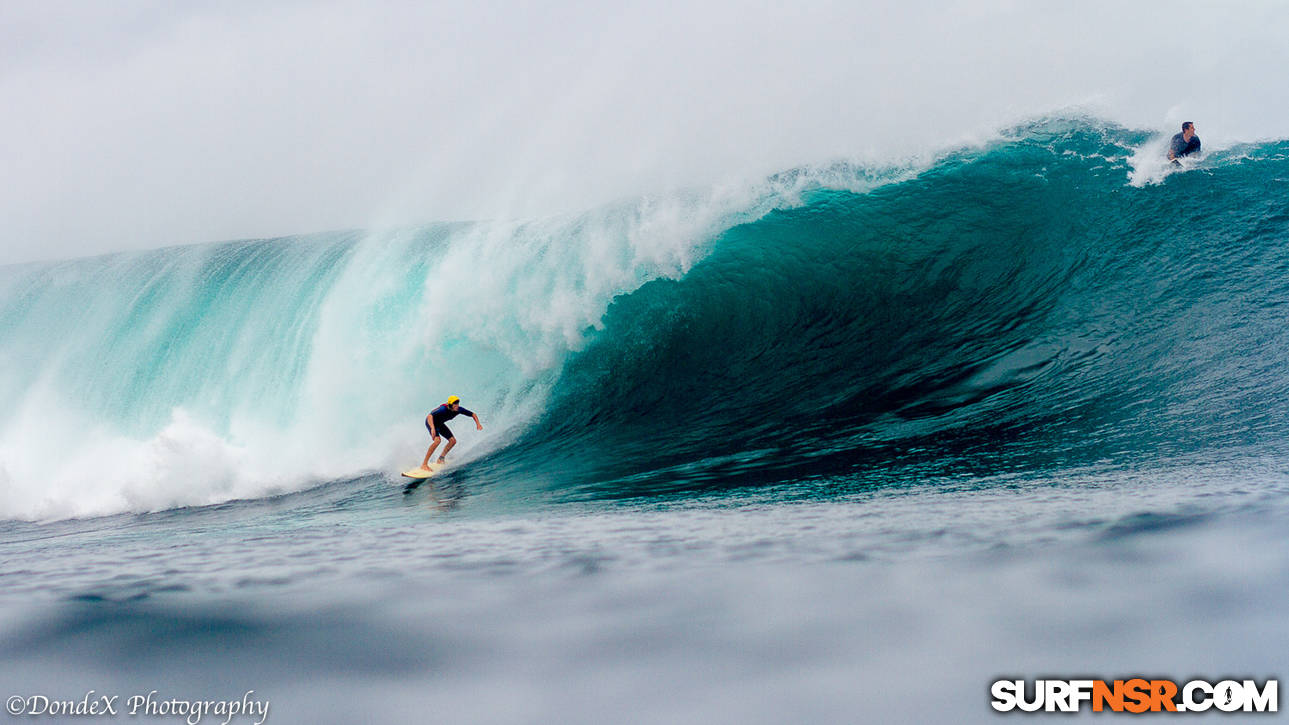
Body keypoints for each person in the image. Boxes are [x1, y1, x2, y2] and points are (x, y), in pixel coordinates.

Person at [420, 395, 482, 470]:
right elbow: (430, 416)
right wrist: (432, 428)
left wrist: (478, 424)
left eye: (458, 403)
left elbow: (473, 414)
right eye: (455, 404)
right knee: (437, 441)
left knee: (453, 441)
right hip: (431, 423)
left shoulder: (459, 410)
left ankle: (441, 458)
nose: (457, 405)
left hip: (440, 424)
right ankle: (424, 464)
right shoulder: (443, 409)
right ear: (450, 404)